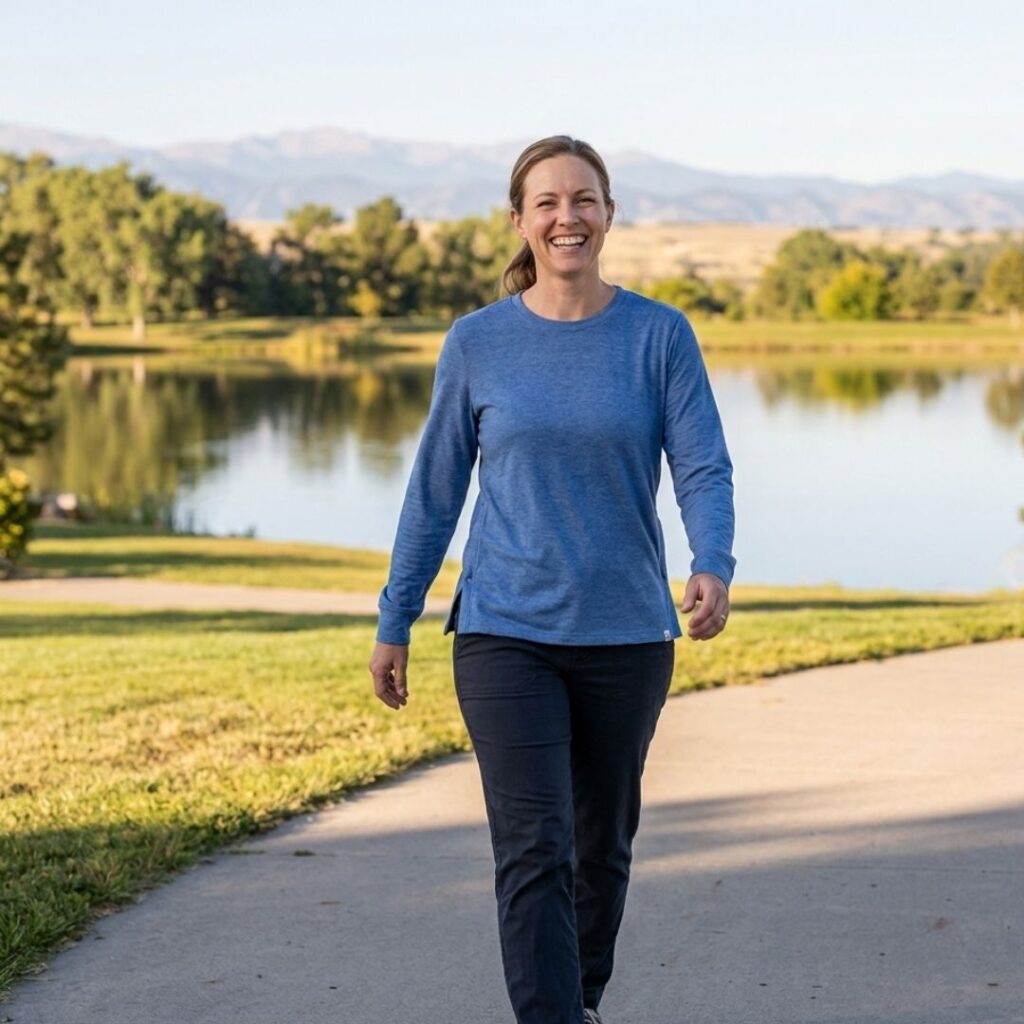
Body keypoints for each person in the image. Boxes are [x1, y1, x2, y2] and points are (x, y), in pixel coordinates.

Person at [368, 134, 736, 1024]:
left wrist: (712, 562)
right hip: (504, 632)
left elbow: (703, 468)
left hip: (624, 635)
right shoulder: (478, 343)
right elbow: (437, 490)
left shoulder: (659, 335)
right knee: (534, 847)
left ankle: (581, 1003)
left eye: (583, 200)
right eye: (547, 202)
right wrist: (396, 617)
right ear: (521, 222)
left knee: (600, 847)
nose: (566, 217)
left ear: (608, 214)